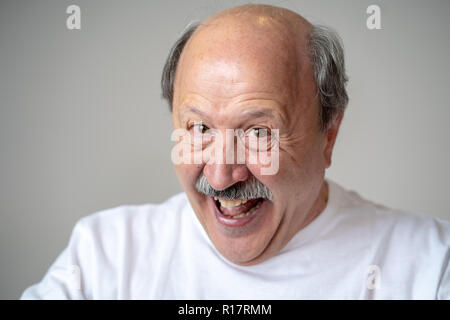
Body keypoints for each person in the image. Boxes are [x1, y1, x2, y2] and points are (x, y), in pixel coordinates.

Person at [21, 4, 449, 299]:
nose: (223, 175)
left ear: (328, 134)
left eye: (259, 132)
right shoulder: (104, 256)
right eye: (200, 127)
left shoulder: (430, 267)